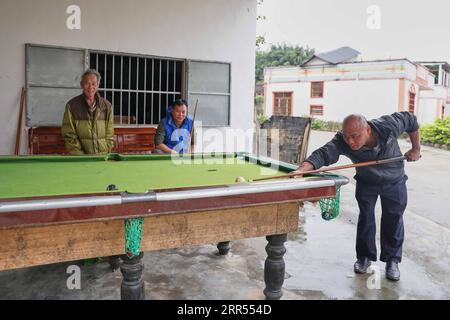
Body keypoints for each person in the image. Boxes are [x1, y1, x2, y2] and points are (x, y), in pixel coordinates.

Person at [294, 112, 421, 281]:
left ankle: (392, 261)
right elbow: (324, 153)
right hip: (366, 181)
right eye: (347, 137)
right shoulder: (343, 140)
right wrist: (302, 169)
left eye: (355, 136)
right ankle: (364, 257)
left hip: (394, 180)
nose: (351, 142)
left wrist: (416, 148)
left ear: (368, 129)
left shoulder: (388, 126)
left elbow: (411, 120)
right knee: (366, 218)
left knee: (394, 218)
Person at [61, 69, 114, 155]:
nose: (90, 87)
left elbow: (110, 134)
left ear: (98, 85)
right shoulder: (72, 106)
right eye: (87, 83)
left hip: (102, 156)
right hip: (81, 159)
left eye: (93, 84)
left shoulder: (107, 106)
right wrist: (80, 155)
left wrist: (107, 151)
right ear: (81, 85)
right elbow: (69, 135)